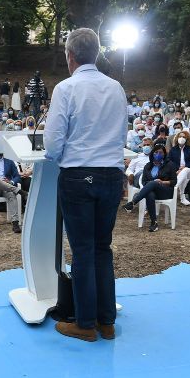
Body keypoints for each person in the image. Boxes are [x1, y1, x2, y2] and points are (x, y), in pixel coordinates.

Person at [43, 27, 127, 343]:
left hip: (79, 175)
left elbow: (52, 144)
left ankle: (85, 322)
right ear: (97, 54)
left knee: (82, 250)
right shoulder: (116, 87)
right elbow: (121, 133)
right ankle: (107, 322)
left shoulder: (66, 88)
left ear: (70, 56)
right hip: (111, 173)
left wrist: (65, 155)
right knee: (102, 247)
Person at [124, 142, 177, 232]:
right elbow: (144, 182)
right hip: (152, 191)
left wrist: (162, 182)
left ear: (164, 154)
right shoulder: (148, 166)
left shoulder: (170, 165)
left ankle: (133, 202)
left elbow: (174, 181)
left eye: (160, 153)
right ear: (152, 154)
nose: (158, 154)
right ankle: (154, 223)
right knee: (150, 194)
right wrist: (153, 183)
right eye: (156, 152)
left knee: (155, 183)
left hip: (165, 191)